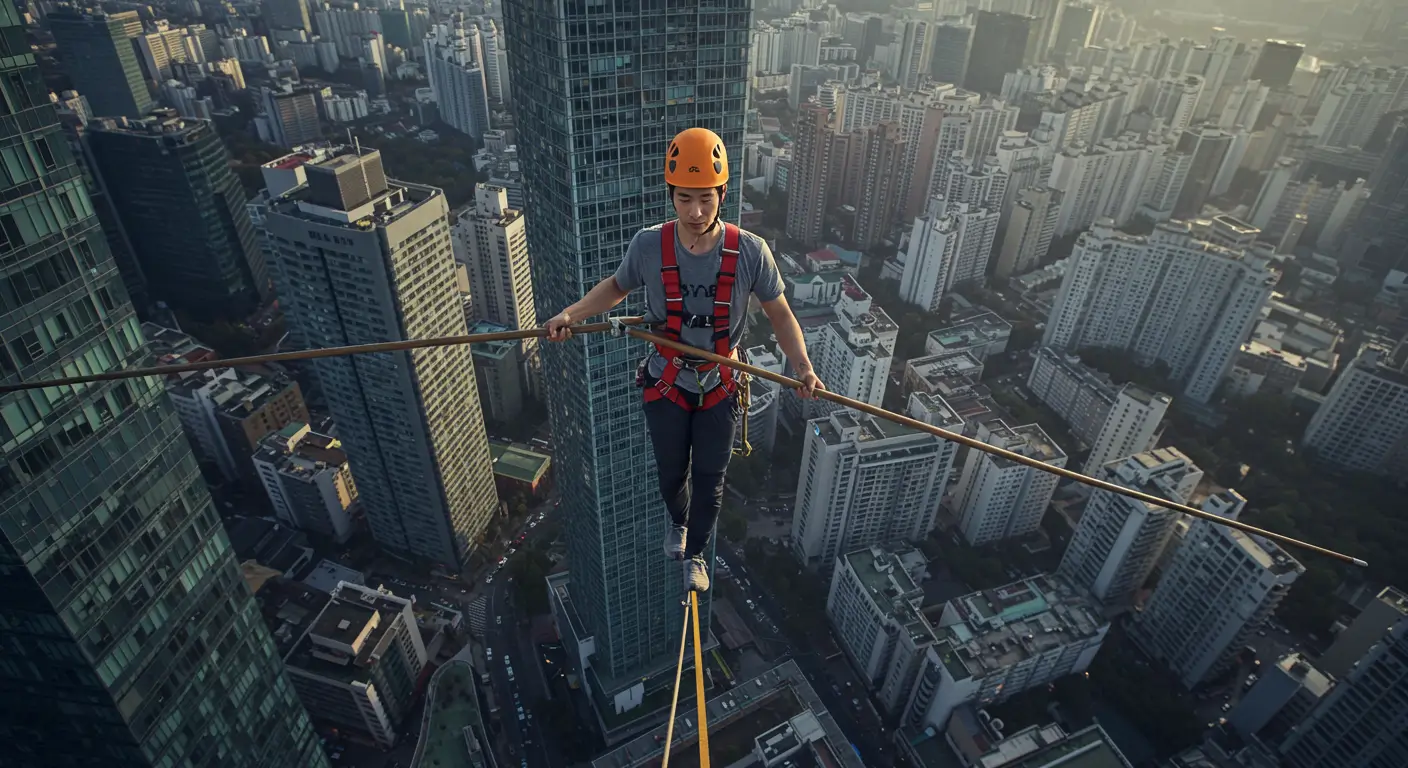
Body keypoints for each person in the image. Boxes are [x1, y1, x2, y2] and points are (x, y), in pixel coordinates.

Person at [544, 127, 824, 593]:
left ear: (723, 194)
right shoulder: (649, 246)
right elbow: (616, 289)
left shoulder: (750, 252)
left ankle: (695, 553)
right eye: (685, 199)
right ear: (671, 194)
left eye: (706, 200)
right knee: (672, 470)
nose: (695, 212)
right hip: (666, 379)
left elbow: (781, 314)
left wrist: (803, 367)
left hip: (719, 384)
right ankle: (677, 523)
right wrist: (570, 314)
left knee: (711, 478)